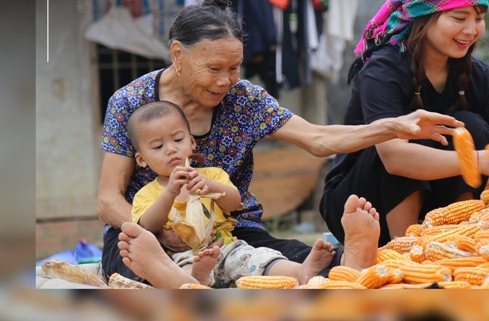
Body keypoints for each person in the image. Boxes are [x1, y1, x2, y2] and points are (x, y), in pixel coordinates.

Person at [97, 0, 464, 283]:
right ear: (178, 54)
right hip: (143, 230)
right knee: (132, 268)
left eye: (234, 67)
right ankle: (165, 272)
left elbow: (317, 138)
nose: (226, 80)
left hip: (229, 233)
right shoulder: (131, 103)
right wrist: (156, 231)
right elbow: (108, 198)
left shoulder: (244, 98)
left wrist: (394, 126)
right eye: (213, 69)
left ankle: (345, 260)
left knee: (305, 262)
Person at [319, 0, 489, 246]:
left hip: (434, 199)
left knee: (471, 127)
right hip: (357, 203)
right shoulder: (383, 69)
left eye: (479, 19)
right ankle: (403, 249)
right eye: (459, 18)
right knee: (410, 131)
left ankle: (456, 239)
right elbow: (394, 158)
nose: (471, 30)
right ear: (425, 16)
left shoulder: (479, 76)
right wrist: (480, 160)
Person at [125, 100, 380, 288]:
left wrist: (212, 187)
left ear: (192, 143)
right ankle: (197, 281)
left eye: (178, 140)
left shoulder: (211, 174)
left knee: (261, 259)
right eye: (158, 146)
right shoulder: (148, 194)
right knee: (182, 272)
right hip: (181, 257)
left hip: (227, 247)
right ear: (141, 159)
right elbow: (148, 226)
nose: (171, 150)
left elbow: (234, 202)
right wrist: (170, 192)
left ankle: (302, 270)